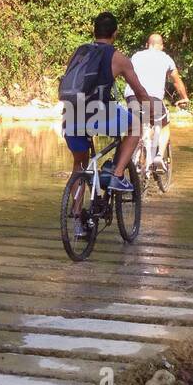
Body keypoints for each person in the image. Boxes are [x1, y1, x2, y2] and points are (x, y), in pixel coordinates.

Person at [61, 12, 150, 232]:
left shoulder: (79, 52)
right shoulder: (118, 58)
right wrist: (151, 110)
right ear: (115, 33)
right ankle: (117, 174)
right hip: (99, 113)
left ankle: (77, 214)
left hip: (71, 115)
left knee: (79, 165)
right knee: (135, 126)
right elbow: (139, 91)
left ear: (94, 31)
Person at [128, 33, 189, 170]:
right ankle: (159, 156)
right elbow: (176, 81)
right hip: (152, 98)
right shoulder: (166, 58)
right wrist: (184, 97)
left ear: (146, 45)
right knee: (164, 126)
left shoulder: (136, 56)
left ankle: (134, 156)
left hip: (132, 96)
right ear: (161, 46)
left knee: (136, 128)